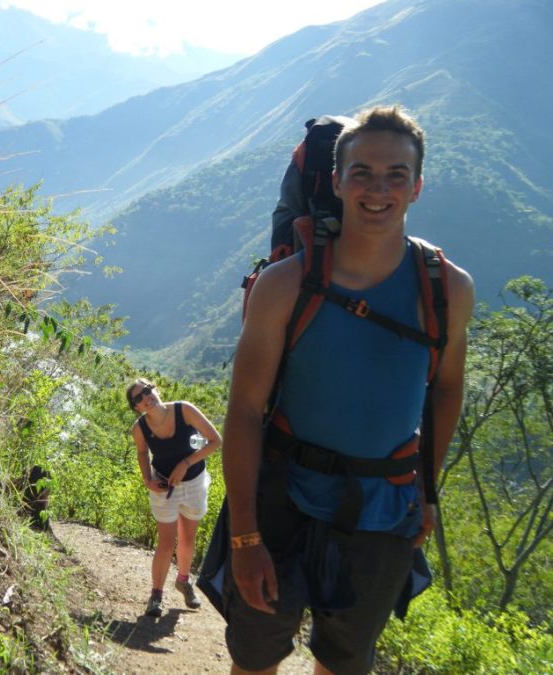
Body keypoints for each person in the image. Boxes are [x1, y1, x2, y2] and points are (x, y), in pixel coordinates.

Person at [221, 106, 474, 674]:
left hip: (383, 509)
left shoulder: (447, 290)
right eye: (361, 172)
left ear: (417, 186)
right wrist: (244, 539)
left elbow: (448, 386)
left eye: (395, 175)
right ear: (336, 181)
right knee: (255, 657)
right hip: (282, 498)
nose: (377, 189)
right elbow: (242, 411)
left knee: (344, 663)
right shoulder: (285, 285)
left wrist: (427, 486)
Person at [128, 378, 223, 618]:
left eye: (147, 391)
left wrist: (186, 463)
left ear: (155, 389)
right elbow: (142, 452)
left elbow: (216, 441)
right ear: (136, 407)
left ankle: (183, 581)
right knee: (166, 542)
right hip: (163, 485)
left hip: (194, 482)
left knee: (187, 539)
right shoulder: (139, 428)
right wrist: (148, 480)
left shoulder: (184, 410)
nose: (145, 399)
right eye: (138, 399)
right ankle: (156, 594)